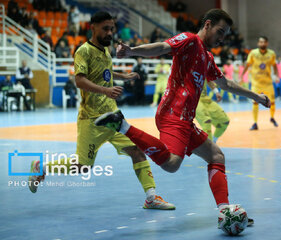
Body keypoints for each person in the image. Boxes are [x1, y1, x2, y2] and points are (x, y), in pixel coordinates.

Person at [95, 9, 270, 227]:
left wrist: (256, 97)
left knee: (216, 156)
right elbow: (162, 47)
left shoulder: (206, 58)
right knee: (171, 163)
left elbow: (226, 84)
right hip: (172, 113)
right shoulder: (189, 40)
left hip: (185, 119)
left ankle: (225, 211)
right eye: (220, 31)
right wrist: (132, 51)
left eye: (225, 34)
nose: (222, 38)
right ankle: (121, 125)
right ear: (207, 25)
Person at [28, 11, 175, 210]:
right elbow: (79, 80)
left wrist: (124, 76)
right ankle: (41, 167)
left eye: (111, 28)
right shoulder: (83, 51)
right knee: (83, 166)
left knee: (137, 150)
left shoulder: (105, 51)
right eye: (105, 28)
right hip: (92, 119)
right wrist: (106, 90)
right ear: (93, 27)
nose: (109, 32)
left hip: (113, 117)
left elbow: (105, 73)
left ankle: (151, 198)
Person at [240, 36, 279, 130]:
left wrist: (277, 75)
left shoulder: (272, 54)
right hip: (256, 83)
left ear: (267, 43)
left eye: (264, 42)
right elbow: (247, 64)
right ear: (258, 43)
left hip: (268, 83)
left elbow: (274, 66)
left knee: (272, 102)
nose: (262, 44)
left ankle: (272, 118)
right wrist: (241, 76)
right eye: (261, 42)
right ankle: (255, 123)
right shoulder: (253, 53)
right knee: (255, 103)